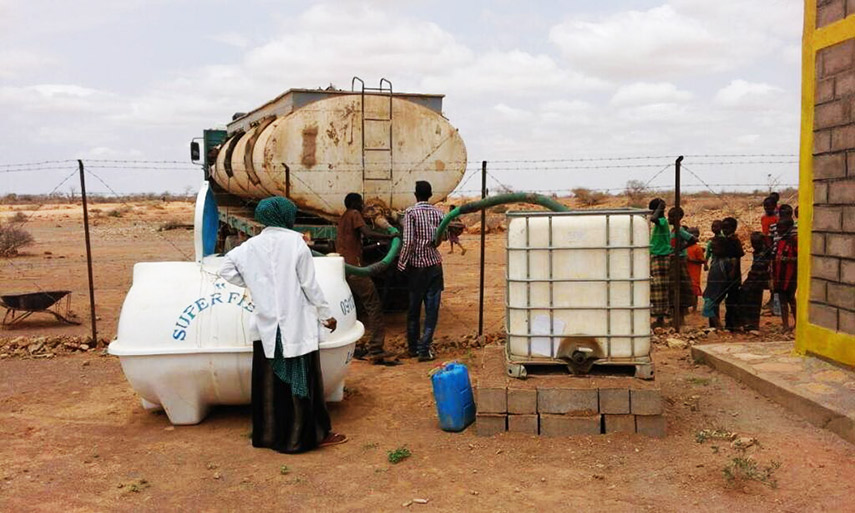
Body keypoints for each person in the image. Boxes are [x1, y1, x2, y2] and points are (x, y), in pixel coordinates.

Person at [220, 197, 347, 453]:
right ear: (285, 216)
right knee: (300, 382)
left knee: (271, 384)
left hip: (267, 328)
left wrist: (254, 283)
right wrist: (326, 315)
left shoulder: (249, 246)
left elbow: (225, 269)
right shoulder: (296, 243)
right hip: (295, 326)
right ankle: (305, 437)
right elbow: (309, 285)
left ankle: (268, 436)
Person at [335, 193, 401, 366]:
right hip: (355, 269)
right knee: (373, 305)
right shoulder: (354, 214)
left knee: (352, 307)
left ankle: (353, 345)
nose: (363, 205)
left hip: (343, 268)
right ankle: (376, 348)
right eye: (361, 202)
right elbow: (367, 232)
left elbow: (355, 241)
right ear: (355, 203)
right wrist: (390, 236)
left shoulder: (343, 218)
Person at [398, 181, 445, 361]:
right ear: (430, 194)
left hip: (417, 269)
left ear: (415, 194)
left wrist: (401, 264)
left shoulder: (410, 213)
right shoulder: (439, 213)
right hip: (435, 267)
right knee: (432, 310)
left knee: (414, 310)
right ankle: (424, 348)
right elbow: (444, 236)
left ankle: (413, 349)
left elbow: (408, 241)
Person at [703, 217, 743, 330]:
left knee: (732, 301)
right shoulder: (721, 240)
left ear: (734, 228)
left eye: (727, 228)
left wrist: (733, 272)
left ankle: (731, 325)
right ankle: (715, 325)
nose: (725, 230)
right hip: (720, 274)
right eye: (723, 228)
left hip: (732, 275)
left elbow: (736, 258)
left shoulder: (734, 241)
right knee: (715, 298)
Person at [668, 207, 697, 318]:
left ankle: (679, 316)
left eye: (671, 217)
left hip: (679, 260)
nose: (669, 219)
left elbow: (693, 239)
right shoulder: (674, 231)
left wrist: (681, 248)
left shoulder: (680, 231)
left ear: (678, 218)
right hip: (674, 259)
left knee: (678, 286)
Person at [741, 232, 772, 331]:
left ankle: (754, 324)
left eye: (756, 243)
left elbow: (767, 266)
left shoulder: (766, 252)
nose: (754, 246)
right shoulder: (756, 251)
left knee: (756, 302)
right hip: (753, 277)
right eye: (753, 244)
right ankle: (747, 322)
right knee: (746, 297)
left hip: (759, 279)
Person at [772, 217, 798, 331]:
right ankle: (785, 324)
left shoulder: (794, 241)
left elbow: (799, 258)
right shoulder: (780, 241)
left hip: (790, 275)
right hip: (779, 274)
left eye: (781, 227)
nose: (778, 230)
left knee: (791, 298)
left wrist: (787, 259)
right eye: (777, 227)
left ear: (789, 228)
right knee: (782, 299)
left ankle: (798, 322)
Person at [648, 198, 670, 327]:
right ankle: (658, 317)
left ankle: (660, 317)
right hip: (656, 256)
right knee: (656, 288)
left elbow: (654, 218)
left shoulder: (662, 221)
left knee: (660, 288)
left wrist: (660, 208)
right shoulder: (659, 223)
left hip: (661, 257)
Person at [685, 227, 706, 313]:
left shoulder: (697, 248)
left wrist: (690, 260)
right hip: (687, 271)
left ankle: (694, 308)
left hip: (694, 272)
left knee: (694, 290)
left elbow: (702, 260)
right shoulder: (685, 247)